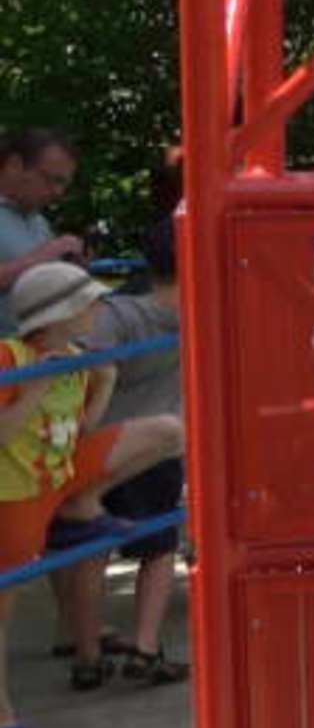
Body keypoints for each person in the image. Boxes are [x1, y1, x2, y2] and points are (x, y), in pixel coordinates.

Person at [0, 262, 185, 728]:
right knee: (3, 603)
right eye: (88, 302)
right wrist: (38, 384)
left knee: (168, 432)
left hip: (59, 475)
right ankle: (1, 713)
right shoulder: (11, 357)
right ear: (58, 314)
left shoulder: (77, 357)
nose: (99, 308)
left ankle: (79, 507)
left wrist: (102, 380)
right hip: (16, 493)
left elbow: (80, 430)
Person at [53, 220, 189, 690]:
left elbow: (85, 366)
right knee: (159, 548)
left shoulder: (117, 314)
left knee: (91, 549)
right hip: (156, 450)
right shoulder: (201, 315)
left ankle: (87, 654)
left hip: (102, 447)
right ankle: (145, 646)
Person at [0, 128, 86, 337]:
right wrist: (41, 257)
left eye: (64, 185)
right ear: (15, 165)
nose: (58, 192)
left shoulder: (38, 221)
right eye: (53, 180)